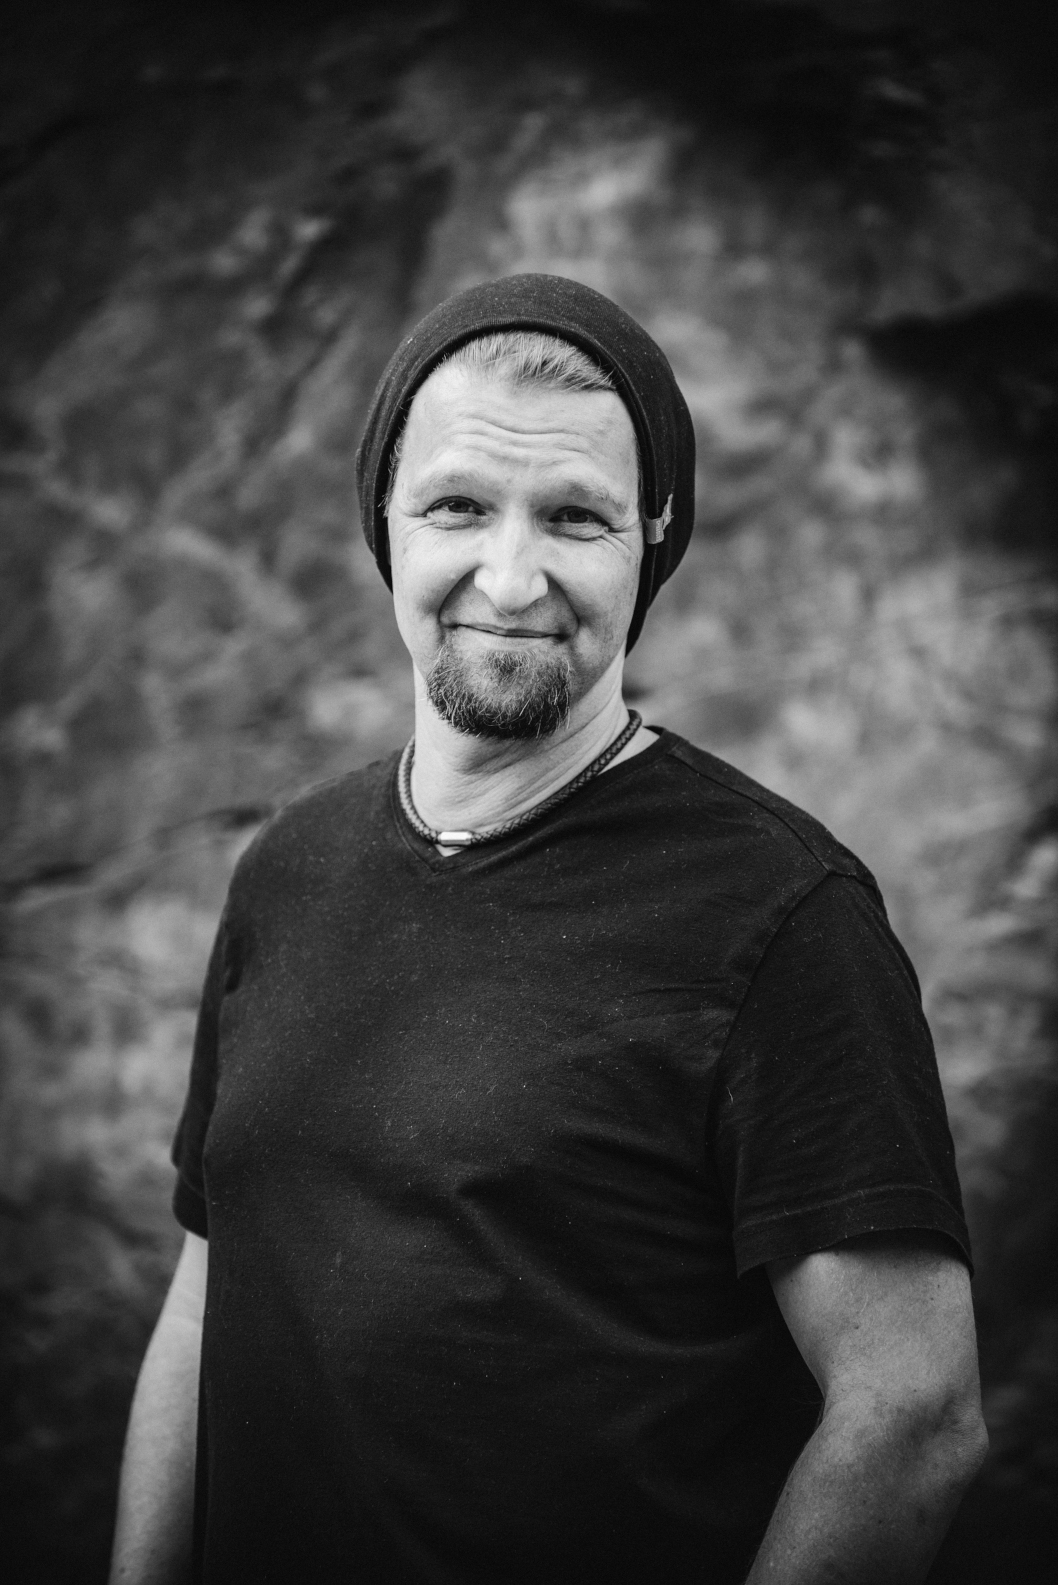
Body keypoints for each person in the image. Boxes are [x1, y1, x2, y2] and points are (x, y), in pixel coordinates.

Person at [109, 274, 987, 1585]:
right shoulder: (289, 867)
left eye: (574, 516)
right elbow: (207, 1291)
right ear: (385, 522)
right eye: (458, 506)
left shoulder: (781, 916)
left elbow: (912, 1417)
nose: (511, 577)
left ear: (653, 537)